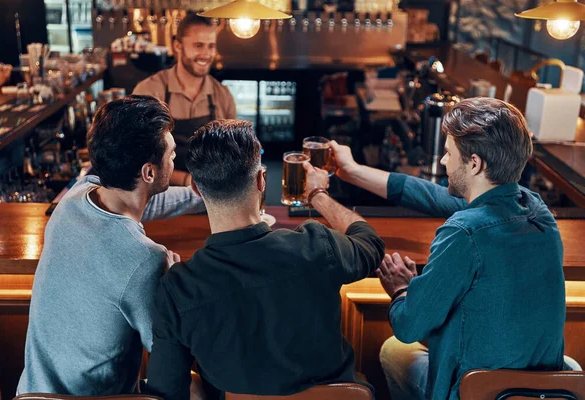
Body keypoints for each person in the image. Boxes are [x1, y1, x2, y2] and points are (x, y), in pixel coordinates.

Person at [329, 97, 570, 400]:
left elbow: (408, 326)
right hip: (545, 391)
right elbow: (434, 196)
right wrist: (351, 170)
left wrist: (401, 288)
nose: (443, 161)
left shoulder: (463, 233)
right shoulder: (537, 209)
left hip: (478, 392)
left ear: (474, 163)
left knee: (393, 350)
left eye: (447, 153)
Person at [144, 119, 385, 400]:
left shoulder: (179, 287)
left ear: (196, 189)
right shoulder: (317, 245)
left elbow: (166, 391)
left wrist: (177, 288)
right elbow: (370, 243)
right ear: (261, 179)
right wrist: (318, 195)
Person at [17, 96, 206, 396]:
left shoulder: (76, 197)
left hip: (31, 392)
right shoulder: (144, 259)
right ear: (149, 172)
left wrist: (201, 195)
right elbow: (169, 351)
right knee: (202, 388)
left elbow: (139, 202)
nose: (174, 159)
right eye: (171, 153)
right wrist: (170, 283)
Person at [133, 13, 236, 187]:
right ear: (177, 46)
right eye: (198, 45)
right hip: (160, 198)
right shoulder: (149, 92)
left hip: (210, 198)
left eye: (211, 46)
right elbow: (136, 157)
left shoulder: (222, 95)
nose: (206, 54)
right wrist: (188, 181)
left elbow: (234, 154)